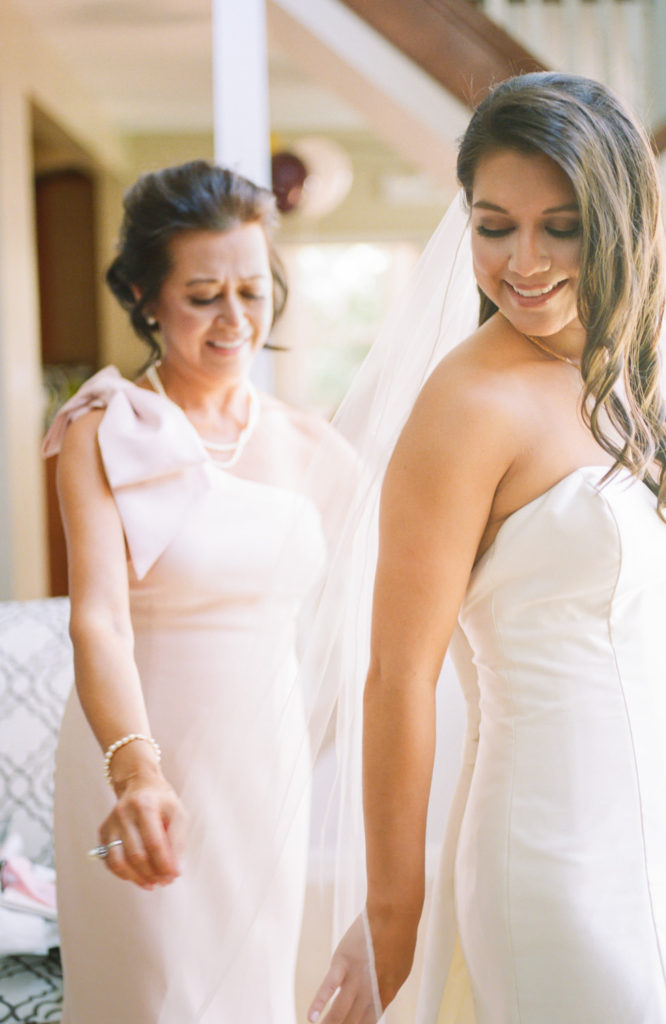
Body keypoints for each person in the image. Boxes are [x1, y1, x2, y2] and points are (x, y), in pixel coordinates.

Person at [308, 72, 666, 1023]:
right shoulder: (465, 407)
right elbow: (397, 678)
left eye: (562, 226)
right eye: (494, 226)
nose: (524, 262)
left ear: (621, 222)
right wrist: (392, 911)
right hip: (556, 845)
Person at [43, 160, 351, 1023]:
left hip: (264, 771)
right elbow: (97, 622)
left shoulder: (311, 443)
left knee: (253, 991)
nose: (234, 318)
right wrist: (138, 774)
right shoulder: (105, 429)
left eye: (251, 291)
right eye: (203, 295)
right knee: (158, 997)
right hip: (136, 765)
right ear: (146, 297)